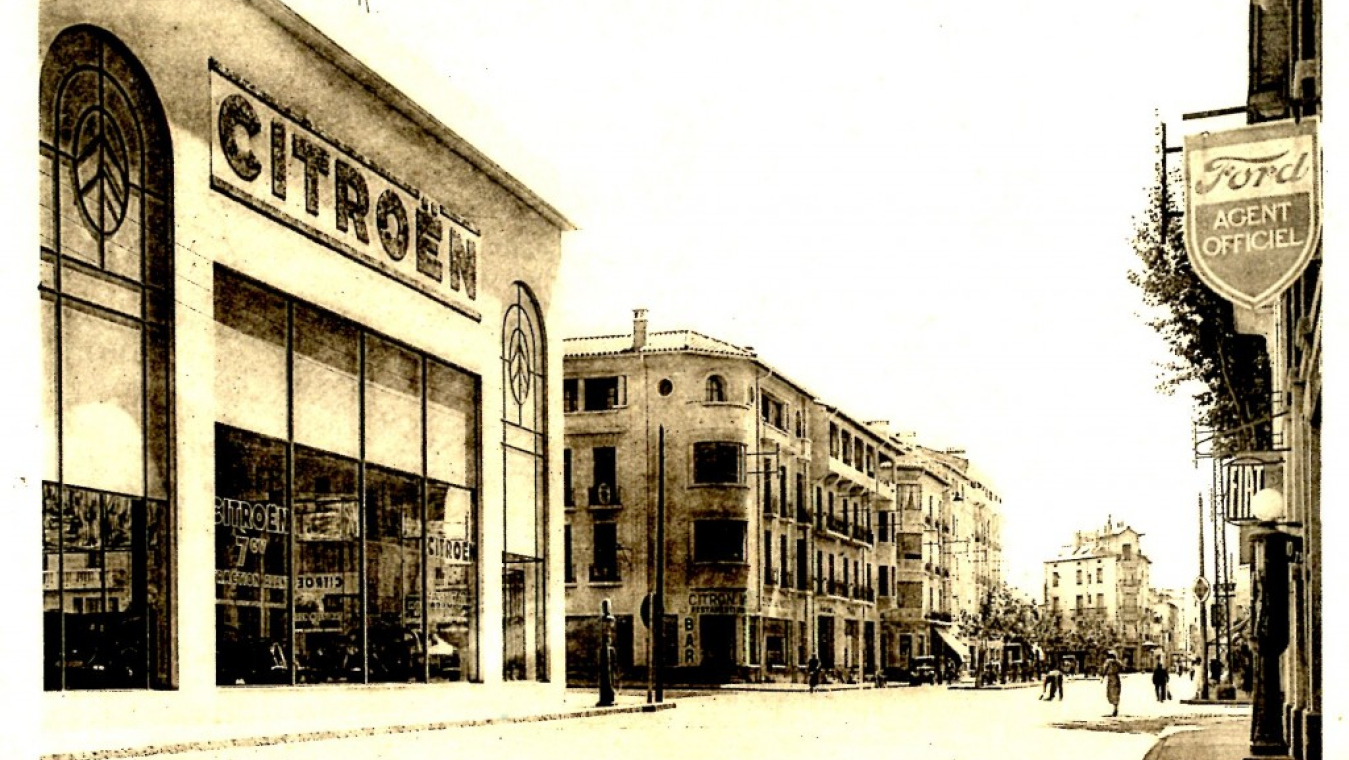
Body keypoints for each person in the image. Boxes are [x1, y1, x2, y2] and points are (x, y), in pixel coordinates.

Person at [1102, 650, 1123, 717]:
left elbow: (1104, 669)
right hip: (1117, 678)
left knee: (1110, 692)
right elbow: (1122, 668)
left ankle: (1115, 708)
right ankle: (1115, 707)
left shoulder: (1107, 662)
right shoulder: (1118, 662)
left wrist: (1102, 676)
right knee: (1116, 693)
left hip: (1110, 678)